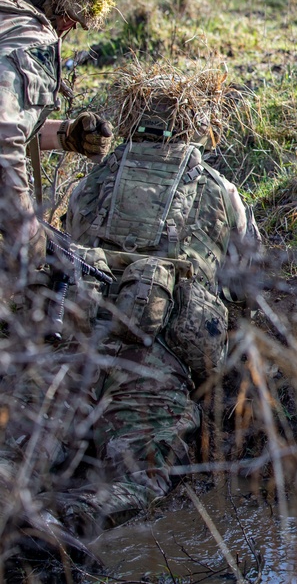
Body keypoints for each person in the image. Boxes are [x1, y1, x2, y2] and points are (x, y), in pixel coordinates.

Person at [0, 63, 260, 571]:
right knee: (143, 477)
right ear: (198, 127)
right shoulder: (219, 188)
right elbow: (247, 277)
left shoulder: (94, 180)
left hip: (70, 341)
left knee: (19, 450)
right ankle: (67, 525)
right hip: (153, 359)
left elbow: (68, 239)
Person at [0, 0, 122, 277]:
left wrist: (64, 134)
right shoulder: (29, 35)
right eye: (72, 20)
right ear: (64, 11)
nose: (68, 28)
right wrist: (28, 232)